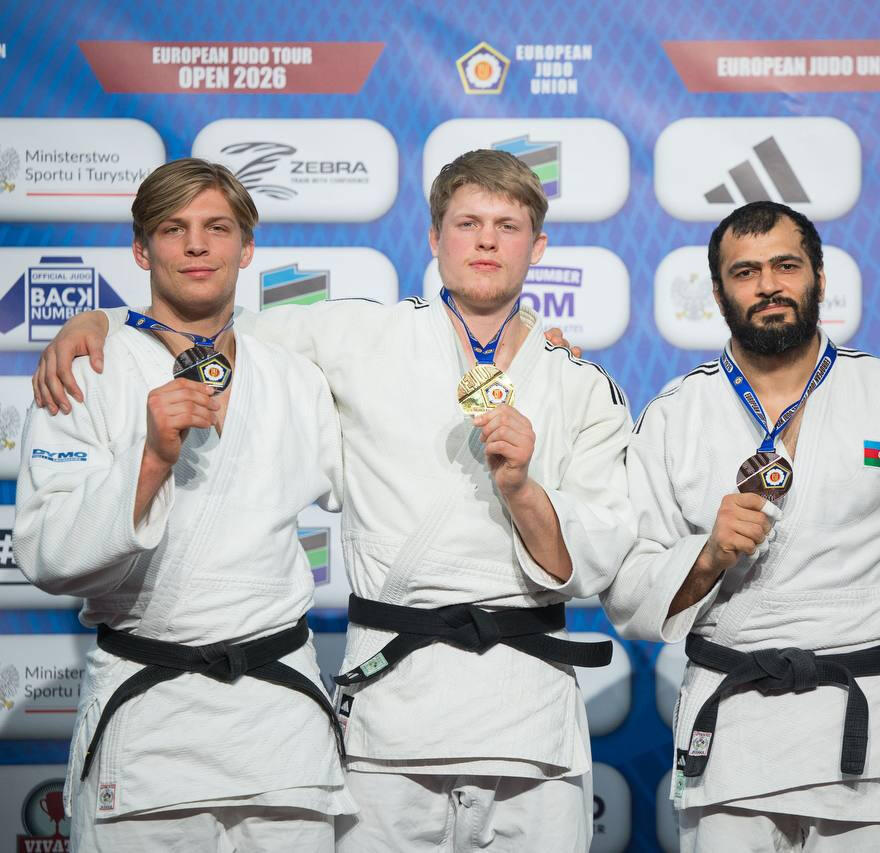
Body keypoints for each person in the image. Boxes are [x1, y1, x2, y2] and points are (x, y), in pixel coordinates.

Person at [32, 149, 634, 852]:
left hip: (523, 703)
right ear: (434, 237)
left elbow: (596, 555)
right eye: (468, 223)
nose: (486, 241)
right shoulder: (359, 336)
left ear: (539, 245)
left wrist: (523, 489)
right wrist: (101, 321)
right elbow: (211, 323)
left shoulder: (581, 384)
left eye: (507, 226)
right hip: (392, 704)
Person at [601, 200, 880, 852]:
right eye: (745, 272)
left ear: (819, 278)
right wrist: (708, 556)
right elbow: (630, 591)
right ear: (718, 292)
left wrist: (865, 598)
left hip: (865, 724)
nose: (768, 285)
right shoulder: (675, 414)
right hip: (735, 732)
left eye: (786, 266)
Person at [15, 158, 353, 850]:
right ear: (142, 250)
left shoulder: (296, 376)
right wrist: (151, 459)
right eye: (174, 229)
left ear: (246, 248)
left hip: (281, 728)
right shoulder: (86, 372)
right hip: (151, 723)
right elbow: (48, 555)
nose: (197, 245)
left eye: (217, 228)